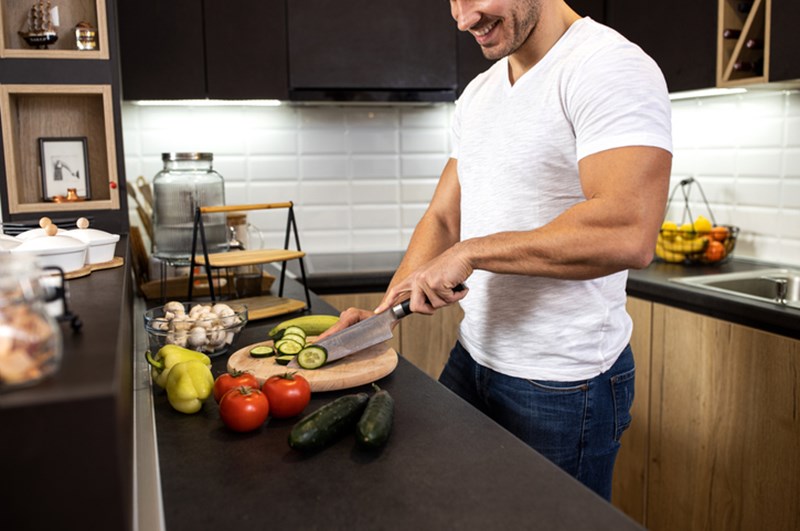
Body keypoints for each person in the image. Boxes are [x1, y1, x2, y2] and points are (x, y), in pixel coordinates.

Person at [320, 0, 672, 500]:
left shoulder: (607, 66)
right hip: (472, 359)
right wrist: (383, 317)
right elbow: (445, 217)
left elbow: (629, 230)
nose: (463, 18)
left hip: (562, 384)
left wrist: (475, 252)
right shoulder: (480, 92)